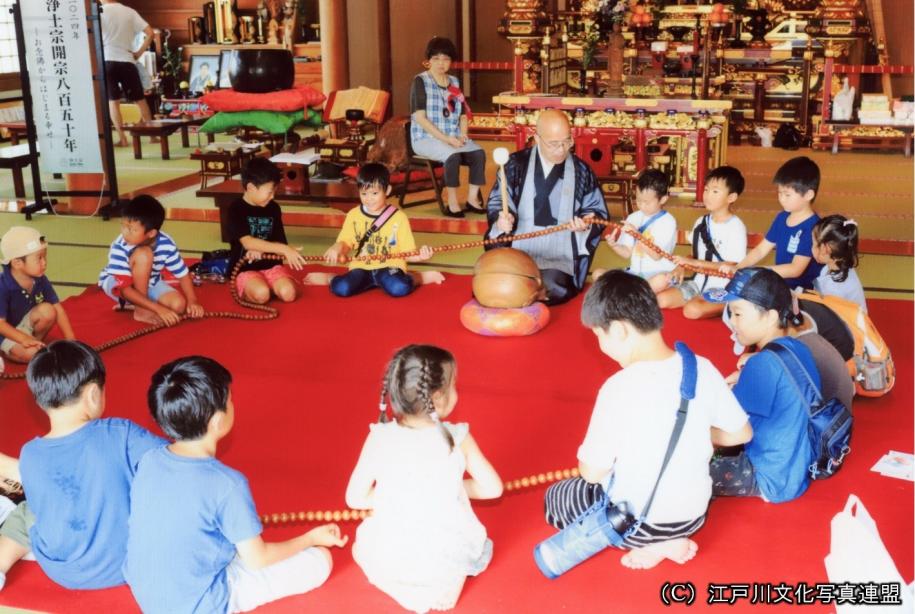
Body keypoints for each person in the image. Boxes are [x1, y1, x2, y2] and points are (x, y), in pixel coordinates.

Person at [543, 271, 751, 570]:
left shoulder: (617, 388)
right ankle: (671, 538)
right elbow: (740, 433)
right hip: (694, 515)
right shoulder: (700, 367)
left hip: (639, 522)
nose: (600, 344)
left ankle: (653, 543)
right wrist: (697, 431)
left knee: (557, 498)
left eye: (598, 335)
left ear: (619, 330)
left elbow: (591, 472)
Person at [125, 356, 347, 613]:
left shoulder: (149, 460)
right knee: (320, 561)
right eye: (230, 400)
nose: (233, 403)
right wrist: (309, 538)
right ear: (218, 422)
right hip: (199, 603)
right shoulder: (227, 484)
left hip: (147, 593)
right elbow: (258, 559)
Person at [346, 345, 502, 612]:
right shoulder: (457, 437)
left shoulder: (379, 437)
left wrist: (399, 494)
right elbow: (493, 488)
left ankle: (400, 580)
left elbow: (355, 498)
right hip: (441, 555)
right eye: (455, 385)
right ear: (438, 396)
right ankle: (439, 585)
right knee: (457, 549)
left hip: (392, 551)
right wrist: (449, 487)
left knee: (363, 547)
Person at [0, 341, 166, 592]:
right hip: (123, 563)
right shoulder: (121, 434)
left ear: (40, 400)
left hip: (60, 570)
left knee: (25, 513)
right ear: (92, 394)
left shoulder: (31, 454)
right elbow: (176, 463)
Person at [704, 268, 819, 502]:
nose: (732, 322)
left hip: (767, 476)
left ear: (770, 316)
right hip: (795, 469)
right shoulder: (796, 347)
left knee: (674, 468)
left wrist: (693, 434)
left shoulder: (762, 365)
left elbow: (731, 433)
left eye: (738, 314)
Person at [485, 109, 609, 305]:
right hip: (518, 251)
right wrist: (501, 221)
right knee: (498, 281)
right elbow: (499, 201)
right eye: (554, 144)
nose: (561, 149)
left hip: (558, 256)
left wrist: (586, 223)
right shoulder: (515, 164)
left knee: (551, 286)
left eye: (567, 142)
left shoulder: (582, 170)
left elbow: (596, 209)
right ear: (536, 138)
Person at [305, 163, 444, 297]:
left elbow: (408, 253)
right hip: (361, 267)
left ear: (387, 191)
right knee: (341, 288)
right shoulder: (353, 215)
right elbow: (346, 243)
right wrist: (337, 247)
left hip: (390, 267)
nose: (369, 199)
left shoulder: (399, 218)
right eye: (364, 194)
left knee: (399, 288)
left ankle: (417, 277)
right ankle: (331, 278)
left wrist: (421, 255)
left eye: (374, 193)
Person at [656, 166, 748, 319]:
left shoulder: (736, 227)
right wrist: (681, 267)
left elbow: (733, 267)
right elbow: (695, 254)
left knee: (692, 310)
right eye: (706, 190)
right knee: (661, 300)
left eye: (715, 191)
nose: (707, 195)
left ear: (731, 197)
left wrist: (695, 264)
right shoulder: (701, 222)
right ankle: (701, 300)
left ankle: (732, 303)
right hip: (697, 283)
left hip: (722, 287)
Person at [99, 195, 204, 326]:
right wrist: (158, 309)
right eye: (124, 226)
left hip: (150, 283)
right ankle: (141, 310)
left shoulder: (166, 243)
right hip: (117, 285)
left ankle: (134, 304)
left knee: (179, 306)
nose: (125, 232)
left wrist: (192, 301)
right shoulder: (120, 245)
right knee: (144, 254)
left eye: (132, 229)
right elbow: (124, 289)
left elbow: (183, 275)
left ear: (151, 233)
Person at [410, 37, 486, 218]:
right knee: (452, 156)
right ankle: (452, 202)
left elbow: (462, 115)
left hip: (453, 137)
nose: (440, 63)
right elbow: (419, 117)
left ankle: (472, 198)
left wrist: (463, 135)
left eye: (445, 59)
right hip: (425, 139)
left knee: (478, 153)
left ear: (451, 61)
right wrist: (446, 139)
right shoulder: (420, 81)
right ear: (428, 61)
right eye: (435, 59)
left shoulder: (454, 82)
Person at [721, 156, 822, 290]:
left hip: (802, 290)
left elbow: (795, 269)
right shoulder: (782, 217)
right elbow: (761, 250)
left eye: (787, 195)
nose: (781, 199)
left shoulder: (813, 227)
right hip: (779, 283)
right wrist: (739, 267)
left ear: (809, 195)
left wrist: (756, 272)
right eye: (779, 193)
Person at [226, 157, 307, 304]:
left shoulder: (273, 208)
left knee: (289, 294)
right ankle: (255, 287)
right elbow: (248, 242)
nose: (273, 196)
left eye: (274, 191)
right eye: (269, 192)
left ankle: (268, 284)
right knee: (262, 294)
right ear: (251, 188)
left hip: (270, 266)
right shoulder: (235, 209)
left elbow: (280, 241)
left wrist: (287, 250)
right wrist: (283, 249)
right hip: (245, 268)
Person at [0, 227, 74, 364]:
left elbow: (57, 308)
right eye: (38, 259)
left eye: (44, 257)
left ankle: (34, 343)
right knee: (33, 355)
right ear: (17, 263)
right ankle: (12, 349)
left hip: (24, 326)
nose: (44, 263)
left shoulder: (39, 279)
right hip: (5, 333)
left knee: (48, 310)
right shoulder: (2, 286)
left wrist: (71, 340)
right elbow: (1, 325)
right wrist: (22, 339)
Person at [602, 169, 677, 287]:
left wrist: (636, 233)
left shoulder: (668, 221)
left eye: (646, 202)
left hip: (659, 273)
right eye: (638, 200)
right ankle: (637, 293)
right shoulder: (632, 218)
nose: (641, 205)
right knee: (599, 274)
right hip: (635, 274)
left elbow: (656, 255)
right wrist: (614, 245)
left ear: (663, 199)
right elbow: (627, 253)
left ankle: (633, 293)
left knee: (661, 281)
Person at [99, 0, 156, 147]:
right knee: (140, 99)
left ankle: (122, 139)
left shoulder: (99, 12)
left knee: (113, 101)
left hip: (107, 60)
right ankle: (152, 136)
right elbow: (150, 33)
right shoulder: (129, 11)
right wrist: (138, 53)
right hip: (127, 59)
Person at [811, 214, 866, 312]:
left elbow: (831, 323)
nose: (811, 247)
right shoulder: (837, 265)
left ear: (825, 249)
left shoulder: (834, 290)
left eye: (814, 244)